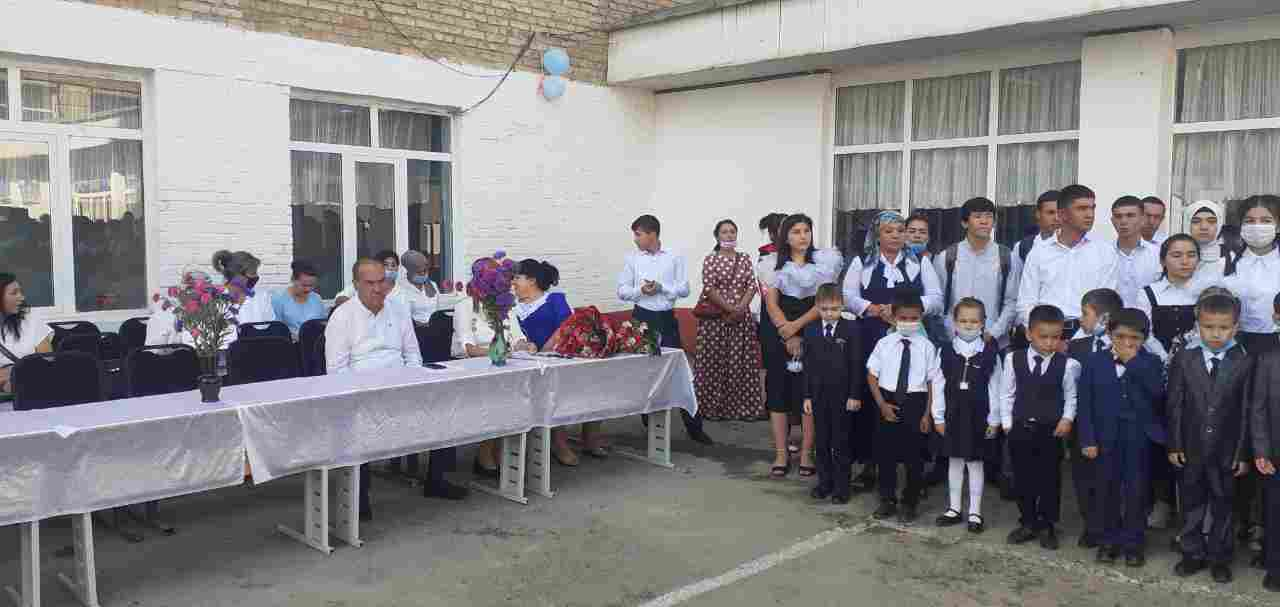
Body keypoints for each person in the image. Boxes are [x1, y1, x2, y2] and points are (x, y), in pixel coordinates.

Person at [325, 259, 468, 521]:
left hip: (401, 384)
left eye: (382, 281)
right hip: (362, 391)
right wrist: (364, 393)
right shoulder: (342, 317)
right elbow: (336, 371)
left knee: (444, 405)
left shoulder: (398, 310)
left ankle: (436, 481)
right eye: (370, 283)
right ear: (356, 284)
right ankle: (358, 498)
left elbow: (413, 354)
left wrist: (411, 383)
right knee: (357, 426)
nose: (378, 288)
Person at [844, 210, 942, 492]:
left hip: (910, 335)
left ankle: (914, 470)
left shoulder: (920, 262)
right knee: (873, 397)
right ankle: (871, 465)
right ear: (877, 234)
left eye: (900, 231)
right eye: (889, 231)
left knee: (911, 397)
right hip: (872, 335)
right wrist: (873, 308)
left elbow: (936, 298)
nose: (896, 236)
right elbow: (848, 296)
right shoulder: (862, 261)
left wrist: (903, 310)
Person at [1169, 293, 1252, 584]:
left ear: (1235, 327)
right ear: (1198, 325)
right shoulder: (1184, 358)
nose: (1216, 334)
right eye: (1208, 327)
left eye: (1224, 328)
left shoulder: (1244, 361)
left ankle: (1220, 557)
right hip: (1191, 448)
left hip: (1226, 451)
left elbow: (1246, 411)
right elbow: (1175, 404)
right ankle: (1192, 553)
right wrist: (1175, 444)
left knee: (1223, 505)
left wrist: (1242, 453)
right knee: (1191, 504)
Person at [1078, 308, 1166, 568]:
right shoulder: (1094, 361)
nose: (1127, 343)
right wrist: (1087, 439)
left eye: (1135, 338)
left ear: (1144, 338)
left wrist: (1133, 361)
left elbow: (1157, 392)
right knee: (1106, 489)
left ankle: (1134, 543)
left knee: (1137, 491)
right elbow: (1085, 403)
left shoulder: (1151, 362)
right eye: (1120, 336)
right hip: (1105, 436)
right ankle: (1108, 541)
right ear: (1109, 333)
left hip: (1138, 437)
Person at [618, 215, 714, 446]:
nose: (635, 239)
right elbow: (622, 291)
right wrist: (640, 291)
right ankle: (649, 422)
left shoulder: (674, 256)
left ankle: (694, 426)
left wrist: (662, 288)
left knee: (680, 371)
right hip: (642, 318)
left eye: (638, 234)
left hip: (666, 318)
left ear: (652, 234)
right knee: (645, 372)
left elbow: (684, 289)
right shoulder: (632, 259)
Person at [764, 214, 845, 476]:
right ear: (785, 236)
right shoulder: (772, 265)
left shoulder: (823, 264)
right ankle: (780, 453)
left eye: (806, 231)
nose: (803, 236)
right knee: (778, 393)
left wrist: (797, 329)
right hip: (780, 334)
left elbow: (821, 304)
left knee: (808, 394)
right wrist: (786, 333)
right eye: (796, 232)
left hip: (811, 332)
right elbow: (771, 304)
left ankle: (807, 453)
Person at [1001, 304, 1081, 551]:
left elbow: (1071, 397)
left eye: (1055, 337)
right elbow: (1007, 393)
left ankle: (1047, 525)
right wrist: (1007, 423)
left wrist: (1067, 419)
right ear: (1029, 334)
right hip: (1020, 428)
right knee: (1022, 478)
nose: (1049, 343)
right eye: (1043, 337)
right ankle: (1027, 521)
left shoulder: (1067, 365)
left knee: (1049, 479)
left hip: (1050, 431)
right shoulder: (1013, 359)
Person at [866, 292, 942, 523]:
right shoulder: (884, 344)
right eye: (903, 318)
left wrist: (927, 414)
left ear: (921, 318)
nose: (908, 322)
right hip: (887, 399)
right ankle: (887, 499)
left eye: (914, 318)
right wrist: (881, 404)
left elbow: (931, 382)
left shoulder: (927, 347)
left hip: (916, 402)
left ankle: (910, 502)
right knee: (885, 454)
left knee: (914, 457)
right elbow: (872, 375)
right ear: (894, 317)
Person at [513, 258, 591, 466]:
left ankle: (568, 442)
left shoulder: (555, 300)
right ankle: (544, 445)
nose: (513, 282)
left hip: (556, 359)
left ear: (532, 280)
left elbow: (566, 328)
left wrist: (542, 351)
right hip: (525, 362)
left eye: (517, 278)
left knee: (557, 393)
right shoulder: (511, 307)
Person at [933, 297, 1002, 534]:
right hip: (953, 415)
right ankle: (954, 508)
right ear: (954, 322)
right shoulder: (945, 351)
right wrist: (938, 416)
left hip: (978, 416)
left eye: (974, 321)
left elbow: (996, 387)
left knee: (975, 463)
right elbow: (938, 384)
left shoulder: (990, 353)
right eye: (963, 321)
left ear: (983, 323)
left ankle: (975, 511)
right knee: (954, 461)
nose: (968, 325)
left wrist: (994, 419)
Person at [1017, 184, 1119, 339]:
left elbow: (1105, 304)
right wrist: (1047, 337)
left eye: (1092, 208)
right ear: (1062, 214)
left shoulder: (1105, 252)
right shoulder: (1039, 252)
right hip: (1044, 337)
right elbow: (1026, 303)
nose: (1090, 214)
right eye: (1082, 208)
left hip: (1087, 336)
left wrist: (1078, 341)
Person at [693, 219, 764, 421]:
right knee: (714, 363)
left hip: (741, 320)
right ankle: (712, 408)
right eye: (724, 232)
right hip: (716, 320)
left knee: (740, 363)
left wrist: (740, 308)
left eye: (732, 231)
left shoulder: (744, 258)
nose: (729, 235)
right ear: (717, 236)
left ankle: (743, 409)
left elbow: (752, 285)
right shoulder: (711, 259)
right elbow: (709, 288)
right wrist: (730, 308)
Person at [802, 283, 863, 505]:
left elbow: (857, 364)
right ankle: (824, 483)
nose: (830, 313)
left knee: (841, 442)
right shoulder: (810, 330)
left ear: (842, 306)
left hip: (843, 396)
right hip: (819, 396)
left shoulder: (851, 329)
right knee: (822, 442)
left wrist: (855, 394)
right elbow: (808, 366)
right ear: (817, 307)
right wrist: (807, 396)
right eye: (825, 309)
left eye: (835, 309)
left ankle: (841, 487)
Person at [146, 250, 276, 347]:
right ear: (237, 275)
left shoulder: (261, 297)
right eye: (252, 273)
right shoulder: (216, 300)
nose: (256, 277)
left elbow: (271, 327)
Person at [935, 197, 1018, 347]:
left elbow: (1011, 301)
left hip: (994, 341)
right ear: (964, 222)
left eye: (989, 216)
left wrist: (993, 333)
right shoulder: (947, 257)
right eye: (977, 216)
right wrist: (952, 332)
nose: (984, 221)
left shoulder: (1007, 257)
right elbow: (939, 301)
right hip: (954, 341)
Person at [1250, 292, 1280, 592]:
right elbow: (1257, 408)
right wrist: (1261, 450)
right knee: (1274, 510)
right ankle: (1275, 566)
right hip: (1275, 453)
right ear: (1276, 318)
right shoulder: (1267, 359)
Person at [1224, 195, 1280, 355]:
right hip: (1233, 347)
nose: (1257, 226)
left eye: (1266, 221)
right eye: (1249, 221)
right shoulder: (1226, 262)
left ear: (1277, 226)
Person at [1010, 190, 1062, 350]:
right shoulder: (1024, 247)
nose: (1056, 218)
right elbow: (1015, 288)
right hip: (1030, 327)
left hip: (1063, 329)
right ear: (1038, 214)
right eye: (1050, 212)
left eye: (1059, 213)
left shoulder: (1075, 249)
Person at [0, 273, 52, 394]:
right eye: (14, 293)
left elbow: (48, 360)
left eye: (20, 292)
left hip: (34, 389)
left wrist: (14, 372)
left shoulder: (31, 318)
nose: (22, 297)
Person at [1111, 196, 1163, 308]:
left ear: (1143, 219)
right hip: (1110, 318)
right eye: (1118, 216)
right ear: (1112, 221)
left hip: (1148, 317)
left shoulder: (1158, 255)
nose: (1123, 221)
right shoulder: (1102, 253)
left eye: (1130, 215)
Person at [271, 260, 328, 338]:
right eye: (304, 285)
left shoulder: (316, 299)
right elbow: (276, 329)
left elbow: (322, 324)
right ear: (293, 279)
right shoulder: (279, 299)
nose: (308, 289)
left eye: (312, 285)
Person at [1186, 200, 1235, 282]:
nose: (1204, 227)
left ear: (1219, 225)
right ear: (1187, 225)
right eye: (1196, 221)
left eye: (1211, 221)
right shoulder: (1174, 254)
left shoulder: (1231, 256)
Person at [335, 249, 401, 308]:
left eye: (393, 265)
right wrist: (358, 308)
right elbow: (340, 298)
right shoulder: (363, 283)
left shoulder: (402, 292)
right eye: (385, 265)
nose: (390, 268)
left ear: (398, 267)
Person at [397, 250, 440, 326]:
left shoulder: (433, 285)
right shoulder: (400, 287)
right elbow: (401, 316)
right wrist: (422, 325)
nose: (423, 274)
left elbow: (438, 308)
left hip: (435, 328)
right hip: (413, 329)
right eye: (418, 272)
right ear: (409, 271)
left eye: (425, 270)